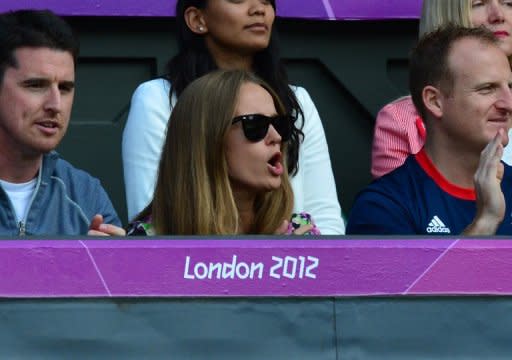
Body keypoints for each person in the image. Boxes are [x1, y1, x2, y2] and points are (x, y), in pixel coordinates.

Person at [122, 0, 344, 234]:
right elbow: (159, 226)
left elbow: (328, 226)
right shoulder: (157, 97)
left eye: (266, 1)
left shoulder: (297, 100)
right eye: (254, 125)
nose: (259, 9)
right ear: (197, 19)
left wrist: (292, 256)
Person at [347, 25, 512, 235]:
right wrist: (486, 221)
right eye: (487, 89)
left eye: (511, 87)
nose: (508, 104)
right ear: (435, 101)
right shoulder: (384, 206)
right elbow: (417, 271)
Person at [127, 70, 320, 235]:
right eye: (255, 125)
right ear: (208, 139)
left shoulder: (298, 234)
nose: (276, 136)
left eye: (280, 124)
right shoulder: (148, 243)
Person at [0, 9, 124, 236]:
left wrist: (111, 264)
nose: (55, 104)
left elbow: (124, 272)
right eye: (36, 85)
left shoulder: (85, 195)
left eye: (65, 88)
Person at [371, 0, 512, 178]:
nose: (498, 16)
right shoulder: (402, 121)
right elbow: (398, 202)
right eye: (478, 4)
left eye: (508, 3)